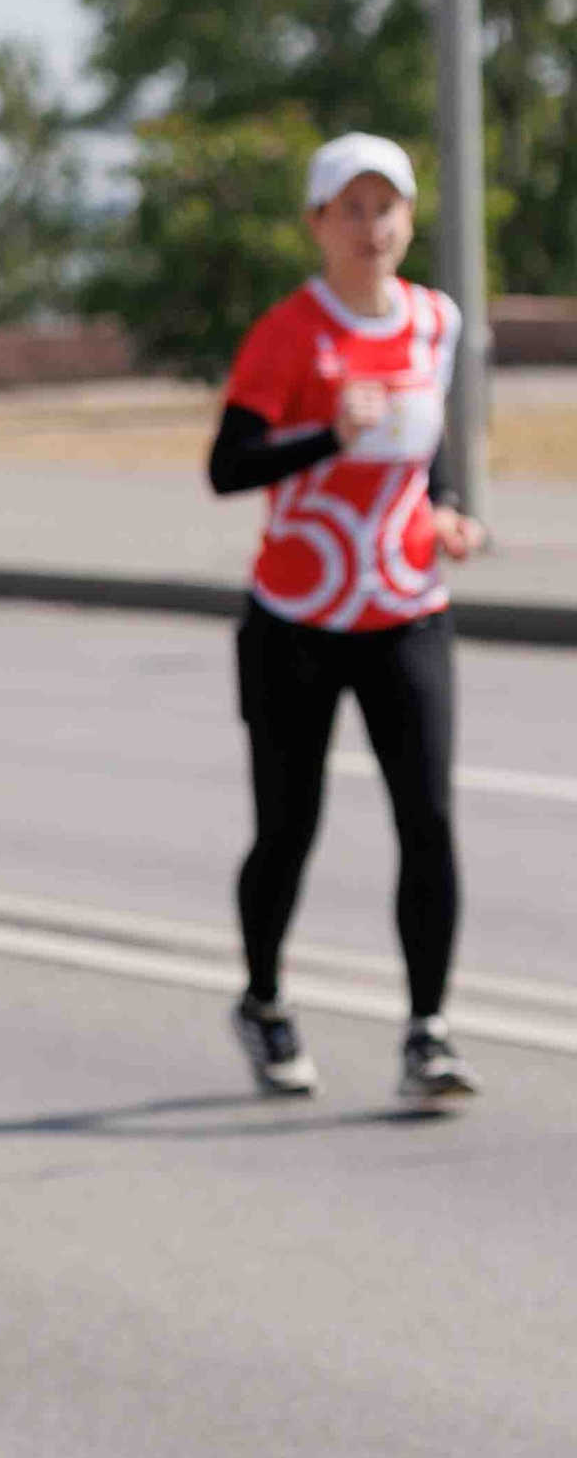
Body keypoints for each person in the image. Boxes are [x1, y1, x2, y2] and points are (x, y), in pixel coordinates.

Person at [209, 132, 484, 1109]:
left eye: (387, 209)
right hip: (295, 618)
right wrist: (328, 435)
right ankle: (263, 1000)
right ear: (317, 224)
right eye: (351, 210)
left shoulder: (434, 320)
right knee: (289, 828)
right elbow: (227, 468)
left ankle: (427, 1033)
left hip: (406, 609)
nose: (372, 228)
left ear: (409, 219)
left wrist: (444, 508)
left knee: (429, 821)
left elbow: (427, 444)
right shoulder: (290, 333)